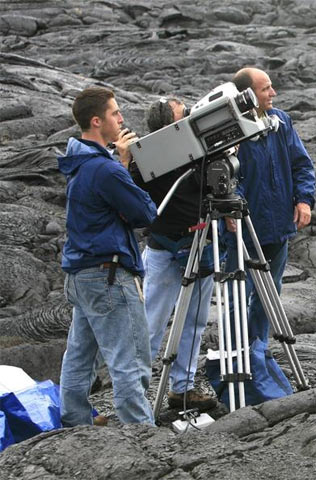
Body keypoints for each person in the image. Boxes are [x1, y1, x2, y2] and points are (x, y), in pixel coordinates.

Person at [211, 67, 316, 406]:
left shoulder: (280, 122)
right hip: (243, 231)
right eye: (267, 88)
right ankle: (235, 360)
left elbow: (302, 164)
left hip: (278, 229)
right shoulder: (230, 131)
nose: (274, 94)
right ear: (247, 94)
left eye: (272, 87)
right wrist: (230, 210)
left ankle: (257, 353)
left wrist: (304, 199)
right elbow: (227, 177)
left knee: (270, 296)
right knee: (238, 300)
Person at [57, 86, 157, 426]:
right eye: (116, 113)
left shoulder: (78, 160)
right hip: (108, 276)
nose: (122, 118)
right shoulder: (106, 169)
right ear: (97, 121)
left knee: (80, 356)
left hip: (81, 275)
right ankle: (144, 437)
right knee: (129, 359)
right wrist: (125, 162)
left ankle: (74, 424)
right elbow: (145, 213)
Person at [131, 97, 217, 412]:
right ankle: (136, 396)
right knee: (151, 324)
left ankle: (183, 388)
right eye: (183, 114)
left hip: (196, 241)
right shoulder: (148, 159)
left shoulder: (193, 150)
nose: (190, 117)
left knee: (192, 321)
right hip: (166, 247)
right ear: (171, 125)